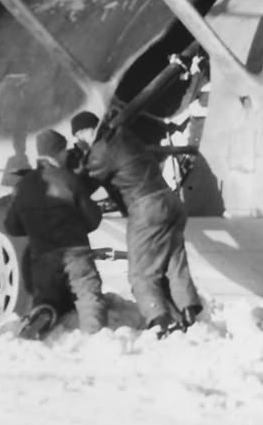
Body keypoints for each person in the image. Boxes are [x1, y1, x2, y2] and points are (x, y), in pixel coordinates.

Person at [73, 107, 200, 334]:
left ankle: (159, 321)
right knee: (174, 264)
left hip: (147, 208)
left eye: (78, 135)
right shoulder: (124, 136)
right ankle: (189, 311)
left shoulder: (103, 150)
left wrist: (77, 160)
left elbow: (82, 184)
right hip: (171, 201)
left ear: (85, 131)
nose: (78, 140)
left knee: (141, 274)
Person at [4, 129, 137, 339]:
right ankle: (94, 338)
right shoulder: (68, 179)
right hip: (75, 250)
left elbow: (12, 226)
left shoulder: (23, 185)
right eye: (63, 150)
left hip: (43, 255)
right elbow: (93, 217)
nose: (66, 154)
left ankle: (40, 319)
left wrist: (34, 228)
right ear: (56, 152)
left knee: (46, 298)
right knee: (88, 296)